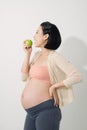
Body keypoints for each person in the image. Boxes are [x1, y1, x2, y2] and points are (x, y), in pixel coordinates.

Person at [21, 21, 82, 130]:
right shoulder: (36, 55)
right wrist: (28, 54)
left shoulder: (54, 57)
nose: (34, 36)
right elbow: (24, 77)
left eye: (37, 32)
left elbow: (77, 76)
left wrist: (55, 86)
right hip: (30, 113)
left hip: (46, 111)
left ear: (45, 36)